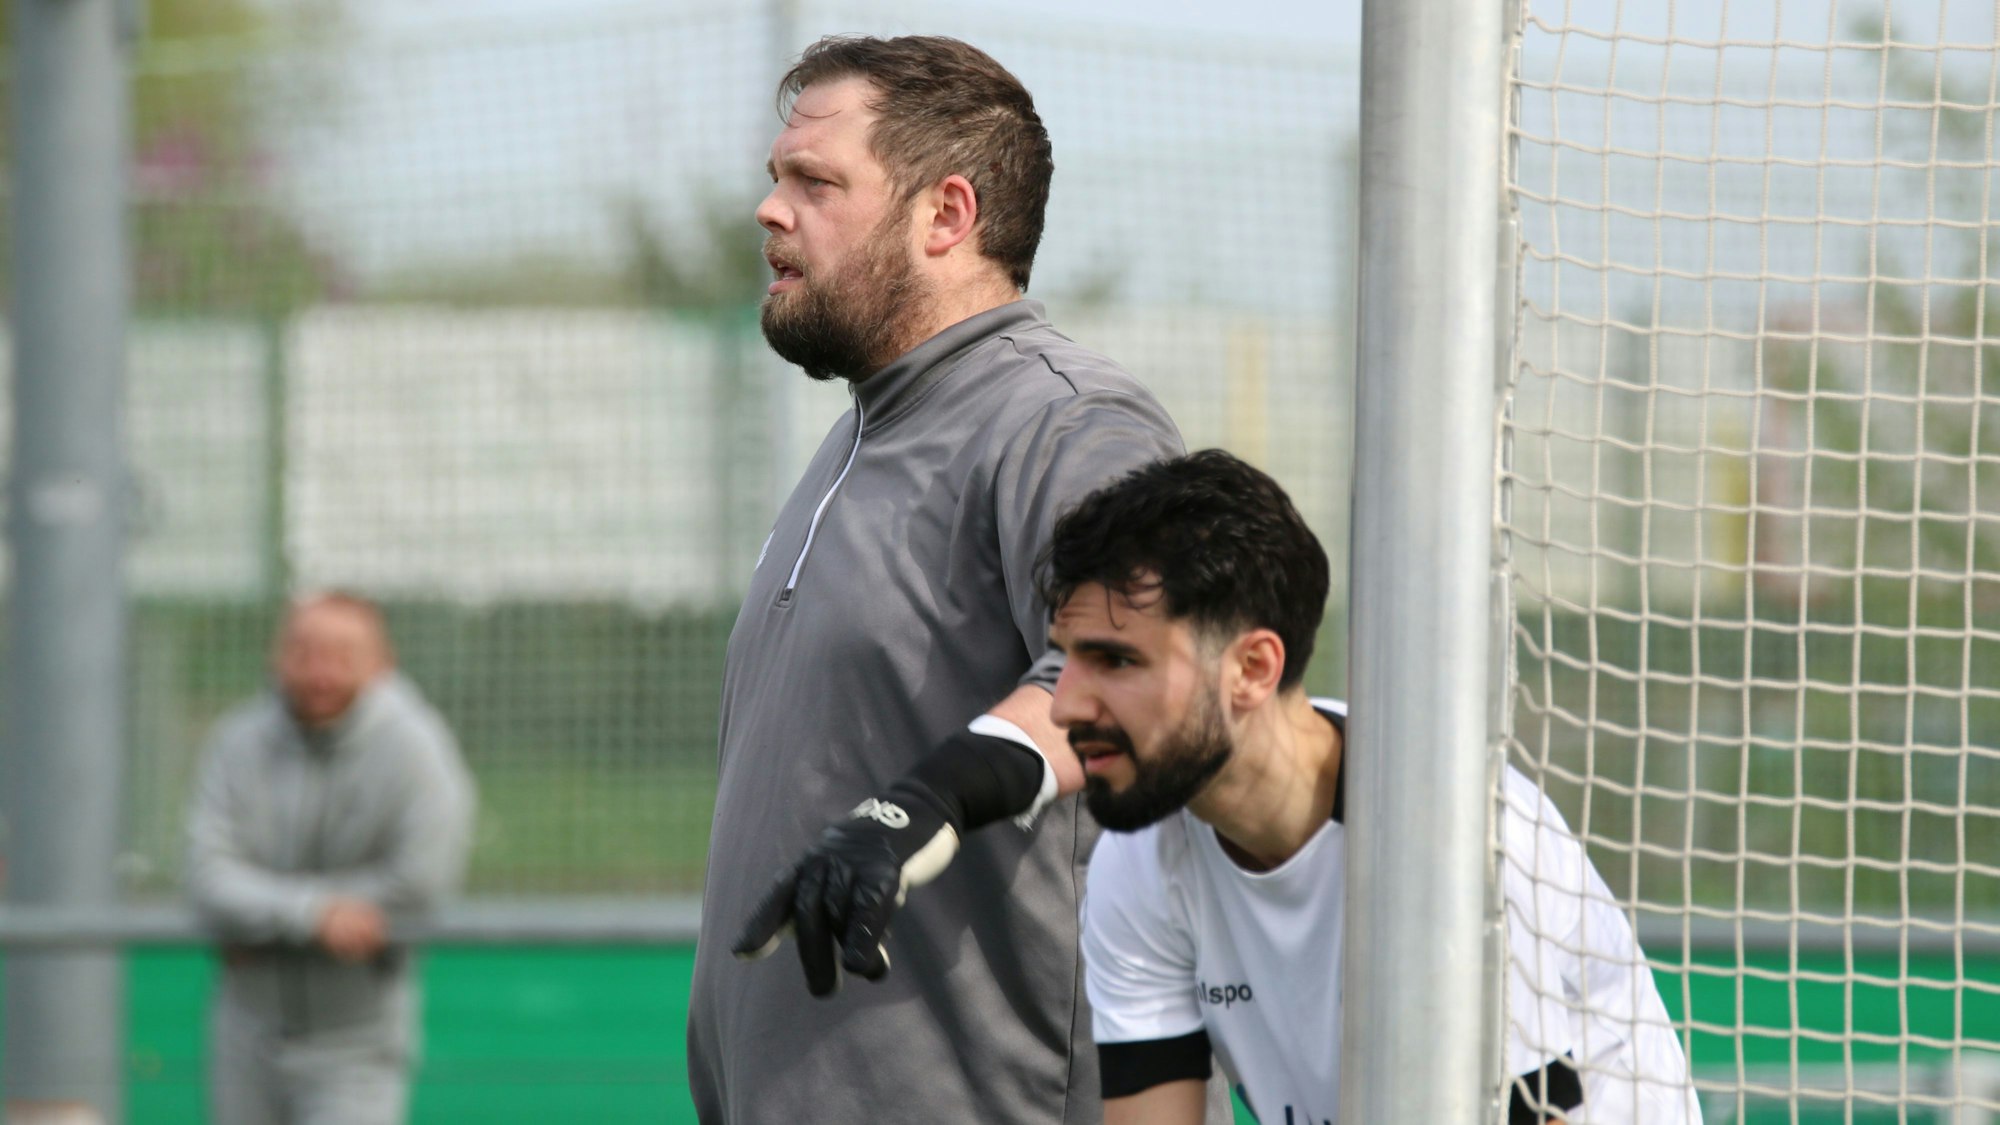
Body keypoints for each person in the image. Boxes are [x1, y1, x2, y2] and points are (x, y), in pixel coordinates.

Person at [687, 34, 1199, 1125]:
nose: (771, 211)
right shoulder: (859, 437)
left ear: (946, 216)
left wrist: (919, 804)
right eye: (775, 180)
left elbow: (1143, 666)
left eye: (814, 182)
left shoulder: (1064, 420)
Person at [1040, 450, 1704, 1124]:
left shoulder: (1454, 831)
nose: (1065, 704)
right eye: (1066, 658)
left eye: (1116, 659)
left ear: (1252, 668)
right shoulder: (1138, 865)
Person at [186, 593, 476, 1125]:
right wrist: (314, 914)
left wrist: (260, 920)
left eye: (343, 654)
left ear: (382, 663)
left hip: (358, 1043)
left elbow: (420, 883)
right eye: (303, 651)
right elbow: (207, 876)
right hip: (245, 1030)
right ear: (276, 656)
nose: (320, 672)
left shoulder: (417, 749)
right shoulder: (237, 740)